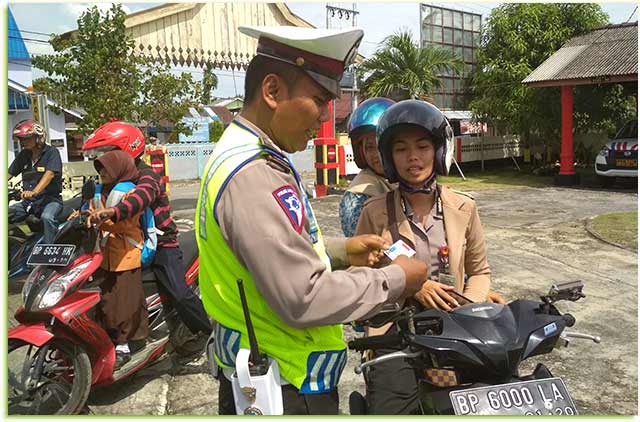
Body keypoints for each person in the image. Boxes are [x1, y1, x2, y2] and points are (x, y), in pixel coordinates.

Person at [195, 25, 431, 415]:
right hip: (283, 386)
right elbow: (304, 299)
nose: (325, 116)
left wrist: (340, 252)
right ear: (272, 92)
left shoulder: (239, 150)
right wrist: (398, 279)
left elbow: (263, 253)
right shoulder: (253, 174)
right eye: (319, 101)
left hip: (270, 373)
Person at [355, 99, 506, 414]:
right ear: (388, 157)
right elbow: (360, 277)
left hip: (456, 330)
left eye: (423, 146)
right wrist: (413, 285)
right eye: (400, 149)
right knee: (391, 408)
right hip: (394, 334)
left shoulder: (464, 208)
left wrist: (468, 306)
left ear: (438, 151)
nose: (413, 157)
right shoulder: (375, 212)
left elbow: (479, 271)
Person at [83, 122, 212, 337]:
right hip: (123, 245)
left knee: (179, 293)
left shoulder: (147, 176)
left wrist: (113, 211)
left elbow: (140, 198)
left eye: (108, 153)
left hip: (161, 244)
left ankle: (208, 334)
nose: (104, 161)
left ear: (125, 151)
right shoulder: (110, 181)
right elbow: (91, 203)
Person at [90, 150, 149, 369]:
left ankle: (123, 345)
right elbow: (89, 211)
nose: (103, 172)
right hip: (103, 253)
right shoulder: (98, 191)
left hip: (126, 253)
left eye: (107, 168)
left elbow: (126, 222)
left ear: (118, 168)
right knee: (104, 299)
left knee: (122, 303)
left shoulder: (130, 193)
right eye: (100, 168)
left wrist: (102, 218)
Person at [339, 97, 396, 237]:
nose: (377, 154)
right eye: (370, 147)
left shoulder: (404, 182)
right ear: (361, 152)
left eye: (383, 146)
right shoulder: (358, 197)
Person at [8, 119, 63, 244]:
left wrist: (34, 191)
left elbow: (49, 174)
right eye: (21, 139)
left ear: (38, 137)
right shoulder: (24, 155)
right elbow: (9, 173)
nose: (23, 142)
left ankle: (49, 253)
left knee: (47, 218)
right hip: (29, 203)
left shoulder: (51, 153)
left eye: (26, 138)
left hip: (50, 200)